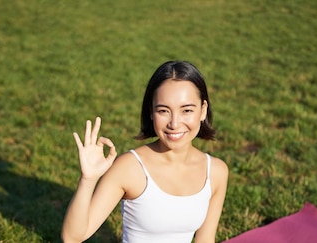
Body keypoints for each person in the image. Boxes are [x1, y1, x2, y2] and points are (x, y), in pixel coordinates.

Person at [61, 61, 229, 243]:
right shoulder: (129, 168)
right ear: (151, 112)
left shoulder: (216, 172)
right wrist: (88, 179)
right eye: (164, 111)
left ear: (203, 111)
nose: (174, 123)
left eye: (187, 110)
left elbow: (205, 240)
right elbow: (72, 237)